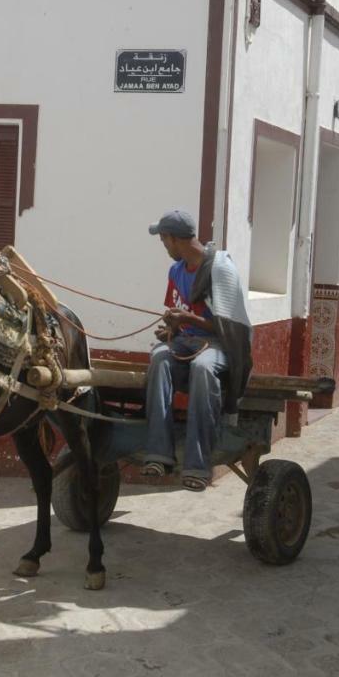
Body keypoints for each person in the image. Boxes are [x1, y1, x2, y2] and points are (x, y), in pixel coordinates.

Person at [141, 210, 253, 491]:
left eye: (164, 240)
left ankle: (198, 466)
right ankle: (158, 454)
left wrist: (187, 320)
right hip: (186, 342)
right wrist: (172, 329)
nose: (164, 246)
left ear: (176, 240)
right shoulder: (176, 271)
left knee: (203, 368)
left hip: (218, 345)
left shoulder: (220, 270)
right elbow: (178, 314)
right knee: (159, 359)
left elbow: (231, 329)